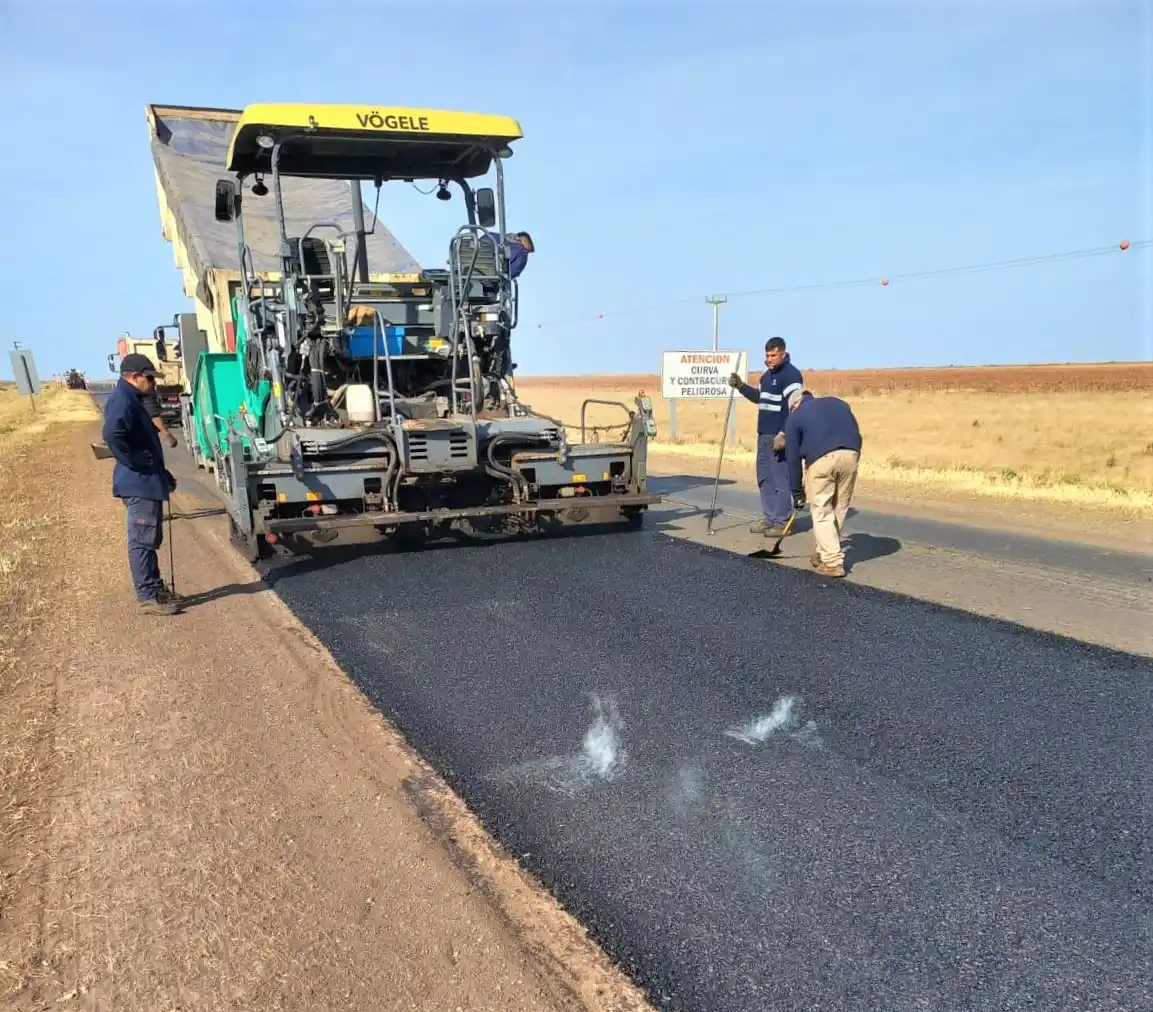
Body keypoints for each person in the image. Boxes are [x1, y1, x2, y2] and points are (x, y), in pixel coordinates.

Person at [102, 353, 182, 615]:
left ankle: (155, 588)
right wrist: (136, 461)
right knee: (142, 540)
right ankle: (147, 596)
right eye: (149, 378)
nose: (152, 383)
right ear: (134, 377)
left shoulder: (132, 398)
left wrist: (161, 473)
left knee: (150, 538)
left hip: (147, 480)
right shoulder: (122, 401)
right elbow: (113, 434)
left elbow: (142, 441)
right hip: (138, 483)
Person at [783, 389, 863, 578]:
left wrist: (797, 493)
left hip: (821, 460)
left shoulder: (795, 417)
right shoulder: (837, 403)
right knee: (839, 507)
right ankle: (823, 551)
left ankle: (833, 562)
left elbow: (792, 459)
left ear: (794, 405)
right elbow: (855, 431)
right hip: (851, 454)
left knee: (821, 509)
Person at [728, 336, 804, 536]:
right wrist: (741, 386)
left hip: (779, 435)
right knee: (764, 478)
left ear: (783, 353)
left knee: (780, 479)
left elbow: (794, 408)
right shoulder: (766, 377)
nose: (769, 359)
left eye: (773, 355)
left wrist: (783, 433)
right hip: (763, 434)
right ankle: (770, 518)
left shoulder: (791, 375)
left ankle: (781, 522)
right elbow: (759, 398)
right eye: (767, 355)